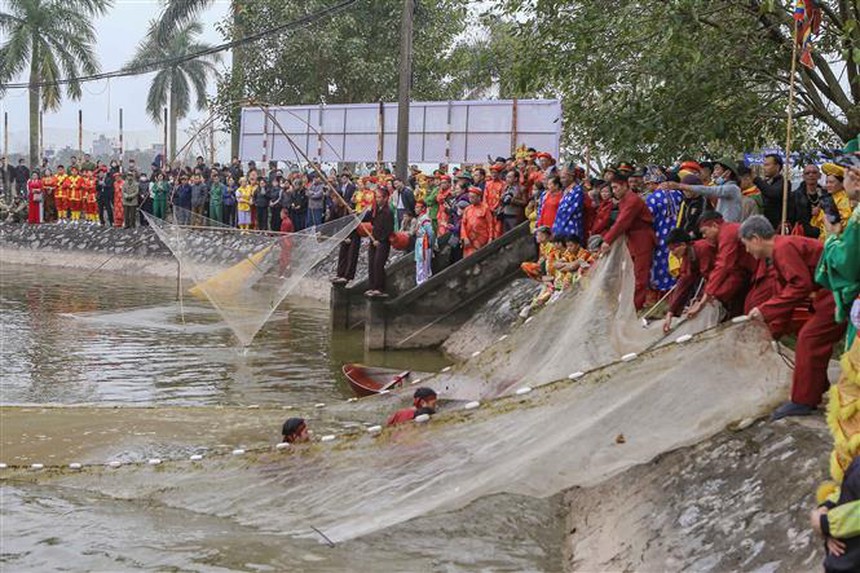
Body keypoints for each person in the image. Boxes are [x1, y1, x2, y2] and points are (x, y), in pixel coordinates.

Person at [740, 215, 848, 419]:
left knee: (810, 339)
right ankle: (813, 387)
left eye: (746, 245)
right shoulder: (781, 249)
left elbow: (800, 286)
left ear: (755, 238)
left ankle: (804, 399)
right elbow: (785, 293)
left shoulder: (783, 248)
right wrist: (773, 330)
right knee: (810, 338)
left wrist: (765, 310)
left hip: (837, 292)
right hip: (829, 293)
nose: (747, 251)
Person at [597, 172, 656, 310]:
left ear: (625, 185)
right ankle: (629, 303)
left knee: (640, 274)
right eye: (612, 188)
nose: (614, 191)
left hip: (642, 238)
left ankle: (636, 306)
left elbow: (622, 222)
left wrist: (607, 241)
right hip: (632, 238)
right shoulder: (625, 200)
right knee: (630, 273)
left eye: (616, 187)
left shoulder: (632, 200)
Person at [662, 228, 716, 333]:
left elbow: (712, 277)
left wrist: (701, 301)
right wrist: (670, 312)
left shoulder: (703, 248)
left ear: (682, 244)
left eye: (673, 249)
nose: (672, 254)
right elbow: (684, 281)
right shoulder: (688, 254)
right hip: (713, 284)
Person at [665, 158, 742, 222]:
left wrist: (681, 186)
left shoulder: (732, 188)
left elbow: (709, 190)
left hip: (729, 229)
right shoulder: (723, 186)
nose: (713, 173)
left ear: (727, 173)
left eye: (717, 169)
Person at [366, 185, 394, 297]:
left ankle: (380, 288)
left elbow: (389, 230)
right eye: (376, 197)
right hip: (373, 239)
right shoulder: (376, 210)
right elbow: (372, 222)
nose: (377, 200)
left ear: (385, 198)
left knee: (378, 264)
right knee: (371, 263)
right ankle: (372, 286)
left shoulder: (388, 212)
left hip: (382, 242)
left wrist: (380, 240)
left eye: (379, 197)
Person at [552, 167, 589, 247]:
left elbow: (572, 210)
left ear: (571, 177)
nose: (561, 180)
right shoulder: (565, 191)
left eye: (564, 177)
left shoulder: (577, 190)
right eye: (561, 178)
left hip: (572, 227)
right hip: (561, 228)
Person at [754, 153, 787, 229]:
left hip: (776, 227)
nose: (764, 168)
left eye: (767, 165)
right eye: (764, 165)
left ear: (777, 167)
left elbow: (772, 193)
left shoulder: (784, 183)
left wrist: (756, 179)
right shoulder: (765, 183)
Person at [792, 163, 825, 237]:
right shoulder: (795, 195)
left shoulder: (826, 194)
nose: (811, 175)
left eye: (814, 172)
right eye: (807, 173)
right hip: (802, 235)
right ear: (803, 176)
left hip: (822, 234)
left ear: (820, 175)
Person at [460, 186, 494, 258]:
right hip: (469, 240)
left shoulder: (485, 208)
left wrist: (490, 238)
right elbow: (463, 224)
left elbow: (490, 224)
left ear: (479, 197)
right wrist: (464, 237)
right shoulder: (467, 209)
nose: (471, 199)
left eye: (473, 197)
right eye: (470, 197)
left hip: (481, 239)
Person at [413, 200, 435, 285]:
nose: (416, 209)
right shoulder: (420, 218)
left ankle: (424, 283)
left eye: (418, 207)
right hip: (419, 243)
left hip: (424, 244)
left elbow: (431, 233)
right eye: (416, 207)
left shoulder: (425, 219)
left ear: (423, 208)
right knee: (419, 264)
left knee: (424, 265)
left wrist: (430, 243)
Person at [500, 169, 527, 233]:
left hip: (515, 216)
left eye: (509, 177)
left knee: (514, 234)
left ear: (515, 179)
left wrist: (513, 201)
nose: (507, 179)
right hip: (505, 214)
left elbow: (525, 202)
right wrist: (502, 198)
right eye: (506, 177)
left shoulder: (521, 189)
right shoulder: (506, 187)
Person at [484, 165, 506, 239]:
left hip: (497, 210)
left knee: (498, 229)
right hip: (488, 210)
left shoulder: (503, 184)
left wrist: (495, 207)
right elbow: (485, 197)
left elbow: (502, 198)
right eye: (492, 172)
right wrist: (487, 208)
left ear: (499, 173)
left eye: (495, 173)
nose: (493, 174)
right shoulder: (487, 183)